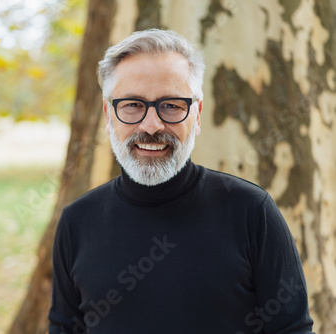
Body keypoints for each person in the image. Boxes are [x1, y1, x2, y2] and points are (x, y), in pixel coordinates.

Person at [48, 29, 314, 334]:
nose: (151, 126)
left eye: (171, 105)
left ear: (197, 115)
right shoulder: (77, 222)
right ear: (109, 115)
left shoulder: (252, 212)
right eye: (132, 105)